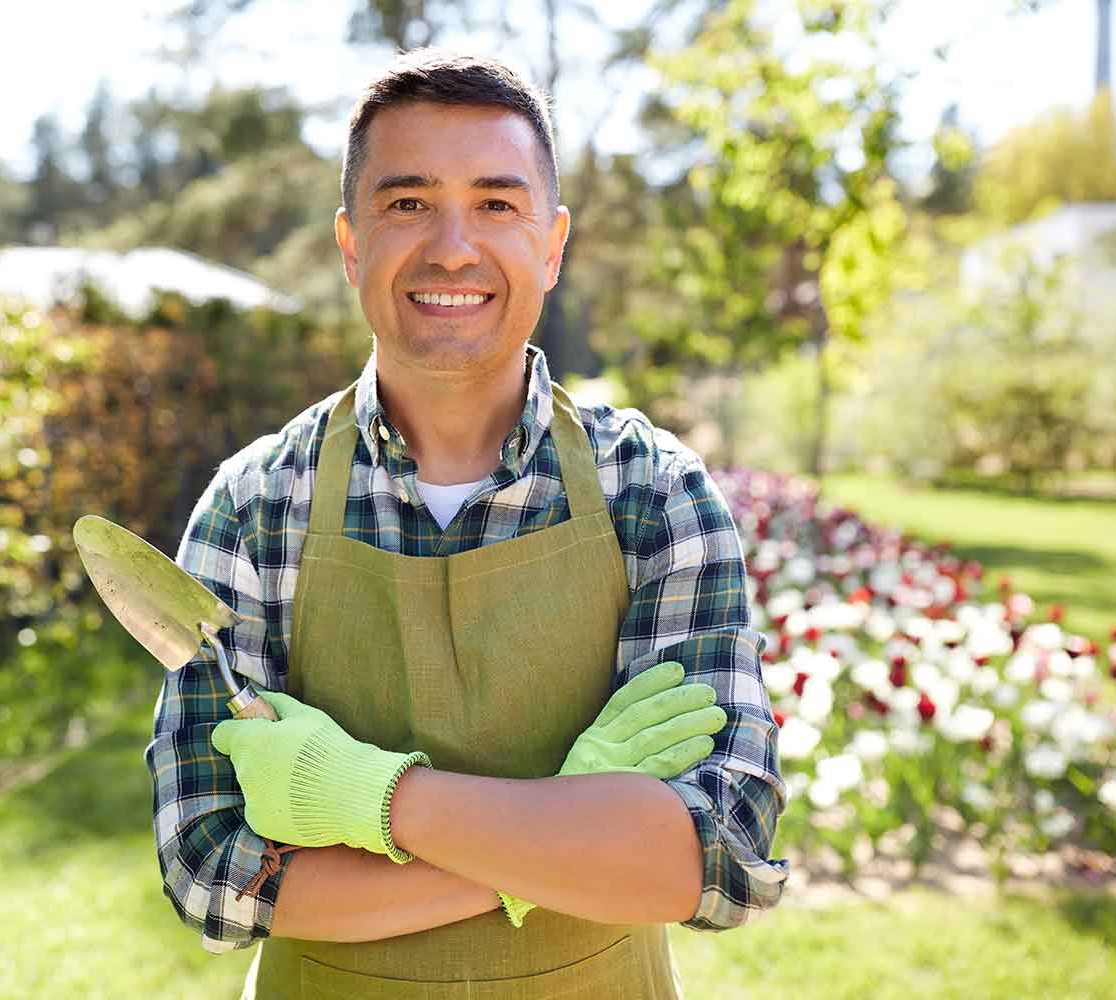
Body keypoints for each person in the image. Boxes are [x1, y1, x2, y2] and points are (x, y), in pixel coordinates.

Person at [146, 49, 788, 1000]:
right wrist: (572, 832)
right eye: (408, 204)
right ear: (351, 242)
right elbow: (216, 877)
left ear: (553, 243)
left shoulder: (652, 493)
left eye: (497, 203)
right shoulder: (253, 508)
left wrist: (367, 797)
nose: (453, 247)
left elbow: (717, 859)